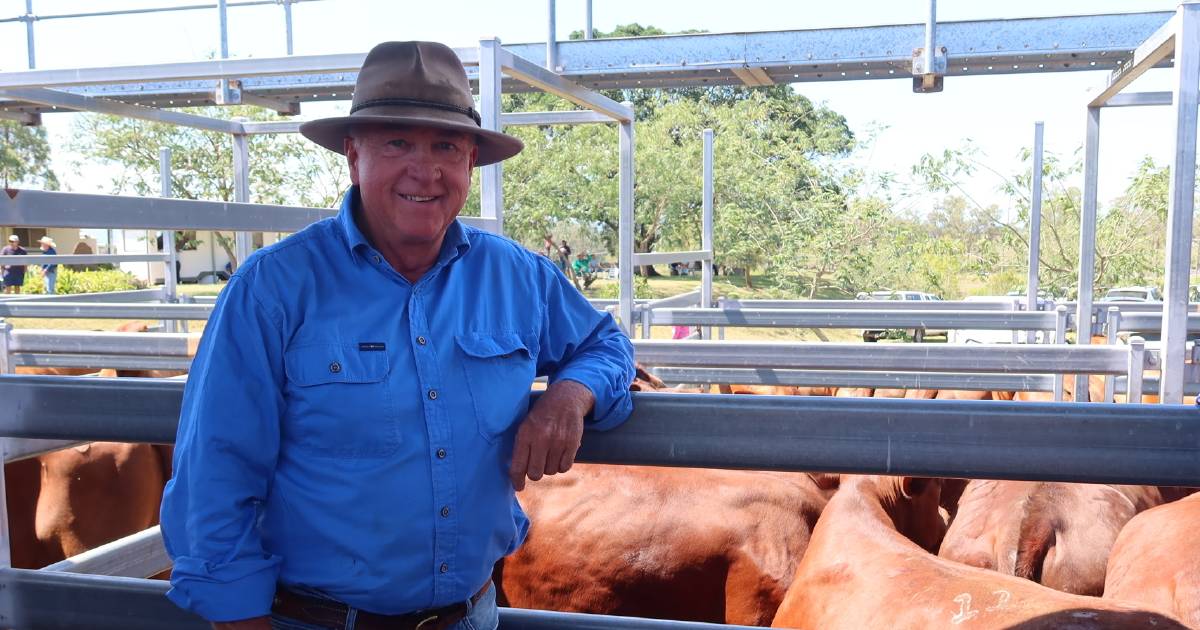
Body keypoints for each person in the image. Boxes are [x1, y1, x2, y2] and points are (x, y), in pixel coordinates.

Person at [160, 41, 636, 630]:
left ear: (470, 163)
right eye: (398, 143)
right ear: (353, 155)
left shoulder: (518, 277)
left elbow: (605, 345)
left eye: (446, 146)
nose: (425, 169)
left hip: (469, 615)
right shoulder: (273, 289)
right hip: (315, 619)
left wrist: (570, 395)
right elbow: (216, 473)